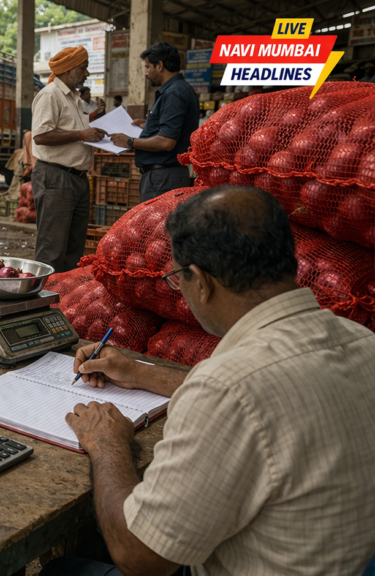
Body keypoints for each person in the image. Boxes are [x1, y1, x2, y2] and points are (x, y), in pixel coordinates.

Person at [43, 186, 375, 576]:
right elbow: (261, 397)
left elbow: (141, 557)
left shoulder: (228, 387)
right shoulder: (361, 342)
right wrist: (137, 373)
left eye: (176, 279)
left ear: (199, 281)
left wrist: (107, 444)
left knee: (60, 570)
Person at [29, 46, 107, 274]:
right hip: (56, 177)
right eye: (83, 68)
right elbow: (41, 136)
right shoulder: (50, 95)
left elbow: (74, 128)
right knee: (51, 249)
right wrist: (83, 135)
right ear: (68, 70)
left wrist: (95, 123)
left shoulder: (74, 98)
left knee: (74, 250)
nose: (86, 73)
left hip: (77, 179)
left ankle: (65, 300)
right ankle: (45, 301)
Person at [108, 42, 197, 203]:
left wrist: (129, 141)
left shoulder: (174, 93)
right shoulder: (179, 89)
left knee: (156, 227)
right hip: (165, 176)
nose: (146, 73)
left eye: (148, 67)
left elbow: (166, 142)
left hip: (162, 178)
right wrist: (149, 124)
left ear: (160, 66)